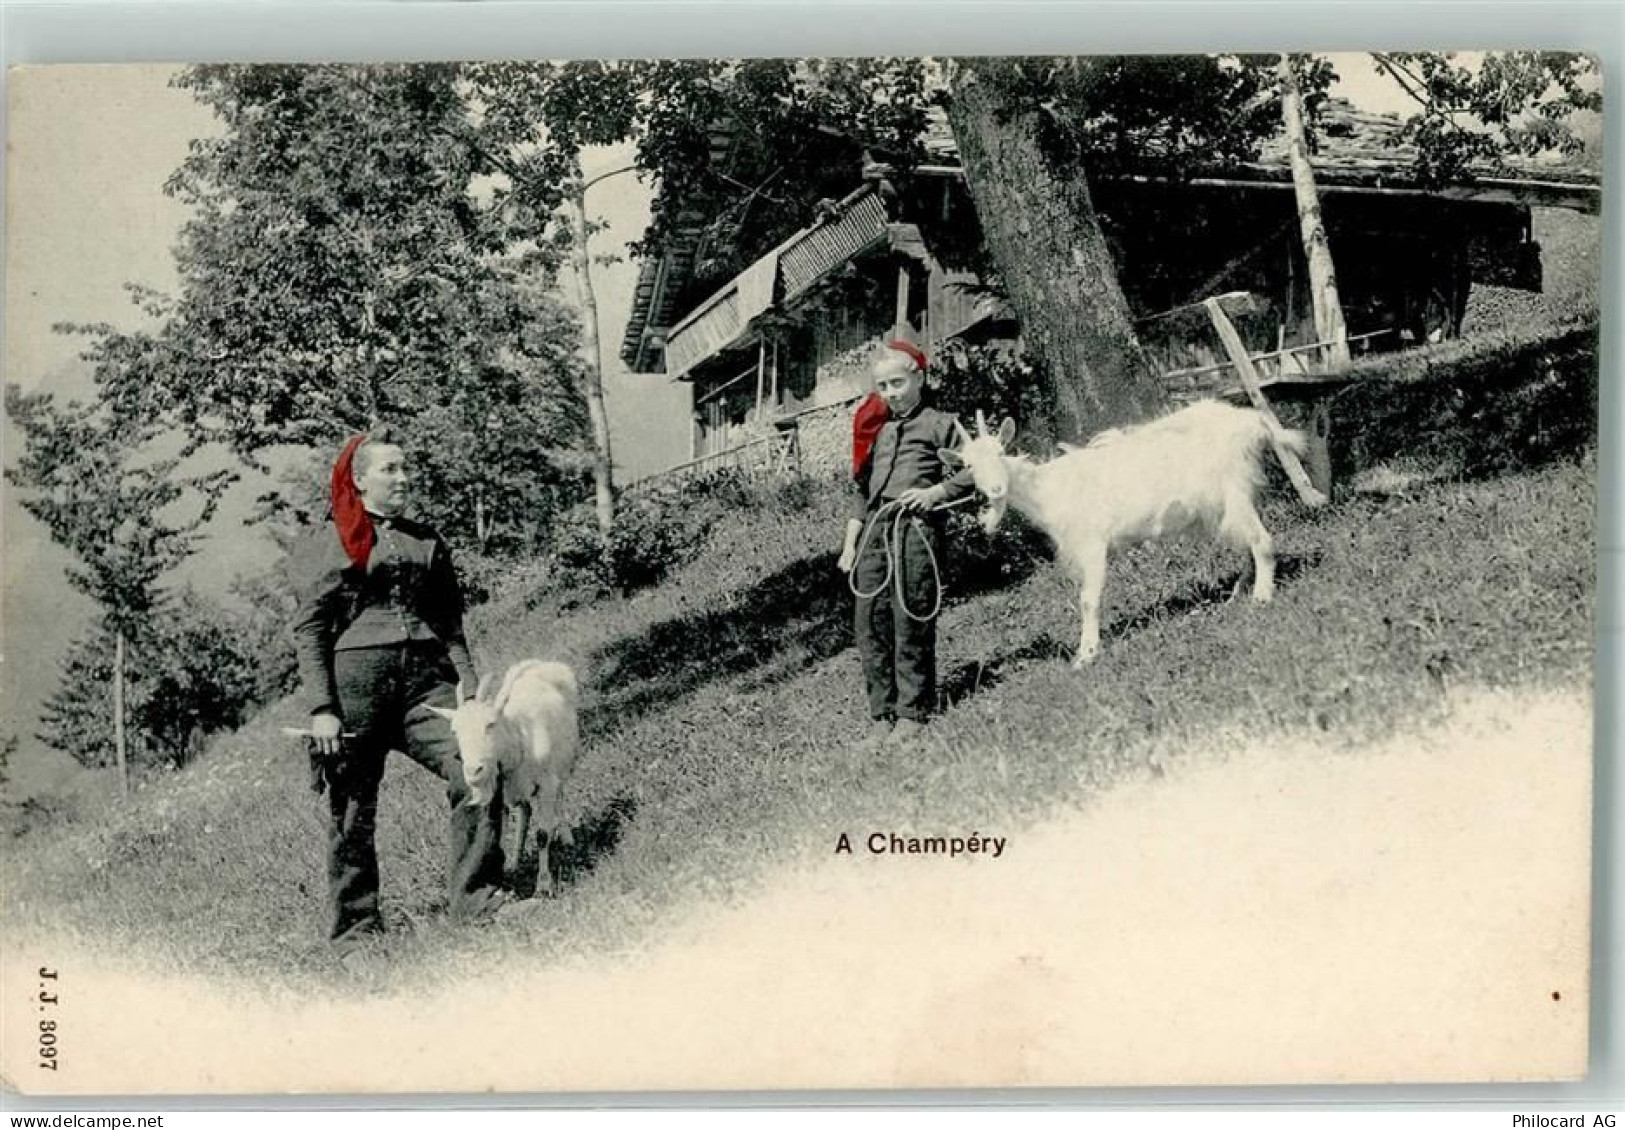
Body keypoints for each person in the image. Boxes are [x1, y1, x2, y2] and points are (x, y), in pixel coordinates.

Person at [290, 427, 507, 953]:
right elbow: (311, 629)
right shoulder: (332, 541)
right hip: (355, 694)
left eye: (406, 468)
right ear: (359, 480)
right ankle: (356, 932)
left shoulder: (427, 542)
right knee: (352, 808)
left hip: (425, 692)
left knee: (475, 768)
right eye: (390, 469)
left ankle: (478, 900)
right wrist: (322, 709)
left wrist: (471, 692)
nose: (404, 477)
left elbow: (450, 625)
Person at [837, 340, 975, 748]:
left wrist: (937, 493)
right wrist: (850, 545)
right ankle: (883, 716)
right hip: (874, 536)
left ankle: (913, 714)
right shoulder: (878, 433)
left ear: (920, 377)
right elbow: (862, 492)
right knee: (870, 623)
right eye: (883, 386)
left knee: (909, 617)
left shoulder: (941, 423)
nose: (891, 393)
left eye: (898, 382)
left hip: (915, 531)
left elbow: (980, 466)